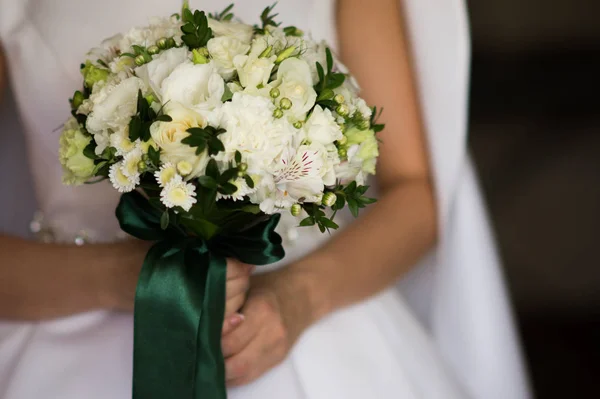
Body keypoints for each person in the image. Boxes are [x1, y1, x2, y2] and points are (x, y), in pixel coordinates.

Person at [0, 0, 531, 398]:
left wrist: (294, 299)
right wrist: (124, 276)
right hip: (70, 345)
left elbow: (415, 195)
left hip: (315, 335)